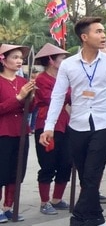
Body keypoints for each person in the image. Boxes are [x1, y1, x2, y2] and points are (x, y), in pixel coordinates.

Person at [40, 17, 106, 226]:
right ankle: (97, 217)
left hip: (103, 124)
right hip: (77, 125)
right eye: (98, 32)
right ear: (84, 37)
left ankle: (77, 221)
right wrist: (48, 127)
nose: (103, 35)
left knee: (92, 173)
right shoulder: (69, 65)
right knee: (84, 173)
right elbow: (58, 96)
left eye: (103, 31)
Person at [32, 43, 72, 215]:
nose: (64, 61)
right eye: (61, 58)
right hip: (46, 123)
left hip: (64, 122)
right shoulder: (41, 79)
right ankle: (44, 201)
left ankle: (57, 198)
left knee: (66, 162)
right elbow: (52, 99)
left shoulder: (64, 78)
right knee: (48, 163)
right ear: (51, 60)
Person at [0, 44, 34, 223]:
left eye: (21, 57)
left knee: (17, 171)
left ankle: (9, 206)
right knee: (1, 170)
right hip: (2, 132)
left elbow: (30, 109)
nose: (19, 61)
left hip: (20, 131)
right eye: (14, 57)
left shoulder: (23, 82)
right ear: (3, 60)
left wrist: (32, 97)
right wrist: (19, 98)